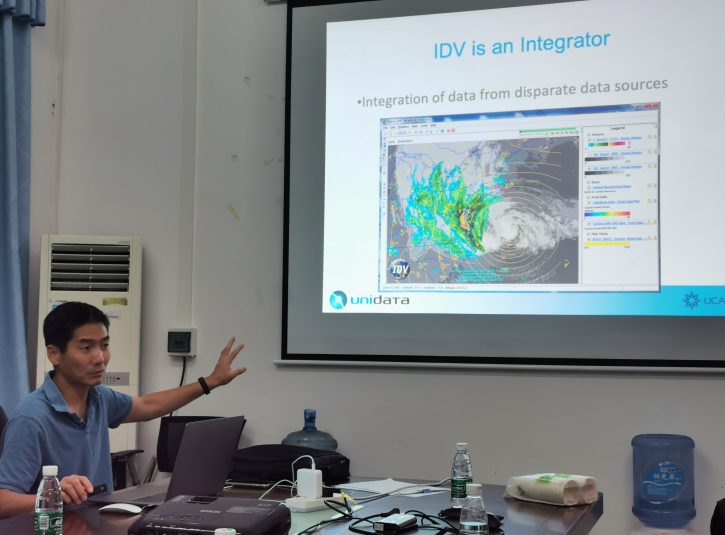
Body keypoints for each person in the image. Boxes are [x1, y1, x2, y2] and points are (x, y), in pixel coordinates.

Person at [0, 302, 246, 519]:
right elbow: (3, 502)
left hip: (98, 521)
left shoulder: (98, 396)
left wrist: (209, 382)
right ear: (54, 354)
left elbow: (148, 406)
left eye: (104, 345)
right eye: (86, 348)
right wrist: (53, 496)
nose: (100, 358)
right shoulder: (31, 419)